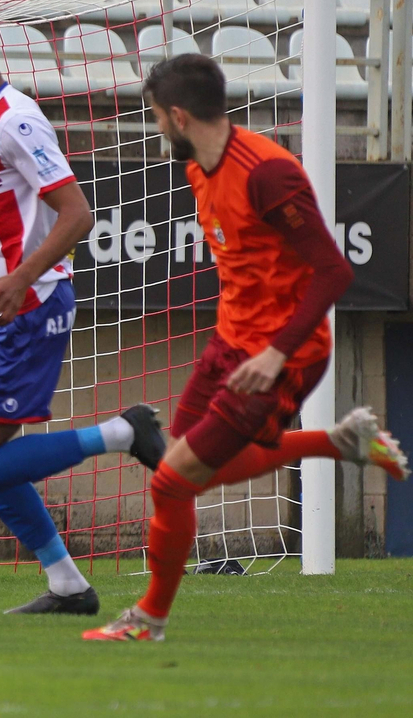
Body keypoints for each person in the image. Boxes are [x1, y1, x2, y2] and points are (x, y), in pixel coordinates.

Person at [84, 54, 410, 642]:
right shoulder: (198, 166)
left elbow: (333, 272)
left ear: (178, 116)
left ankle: (150, 617)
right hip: (231, 344)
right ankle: (340, 442)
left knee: (171, 483)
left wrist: (277, 354)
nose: (155, 128)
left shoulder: (268, 174)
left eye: (156, 117)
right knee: (181, 466)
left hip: (286, 355)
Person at [0, 6, 165, 614]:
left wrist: (20, 277)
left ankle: (123, 431)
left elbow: (77, 213)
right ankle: (67, 585)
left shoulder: (14, 121)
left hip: (28, 305)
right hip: (7, 305)